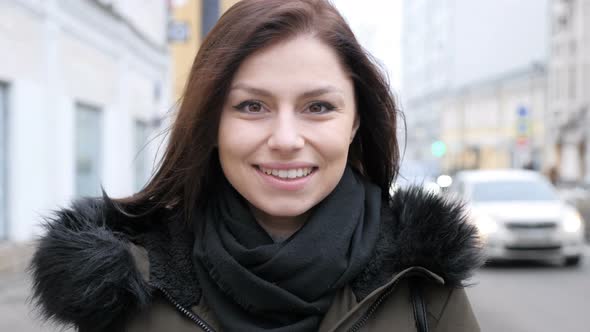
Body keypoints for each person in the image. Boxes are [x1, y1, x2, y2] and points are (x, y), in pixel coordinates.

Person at [29, 1, 483, 331]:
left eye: (318, 106)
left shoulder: (422, 283)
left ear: (354, 122)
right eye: (251, 106)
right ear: (212, 123)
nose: (286, 139)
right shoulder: (131, 284)